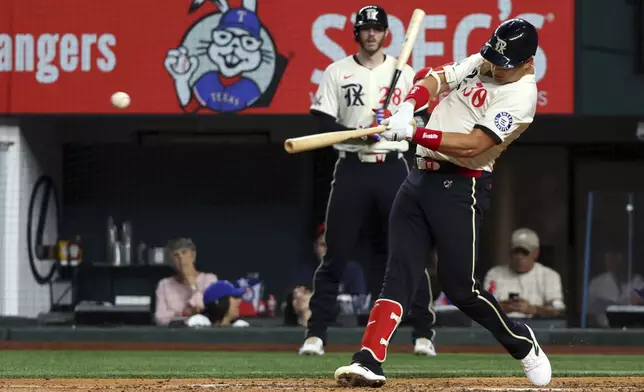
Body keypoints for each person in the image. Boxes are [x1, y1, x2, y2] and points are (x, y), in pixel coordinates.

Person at [333, 18, 551, 388]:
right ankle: (369, 359)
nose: (496, 68)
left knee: (461, 289)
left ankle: (521, 343)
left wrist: (416, 131)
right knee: (398, 273)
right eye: (494, 59)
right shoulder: (487, 59)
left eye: (506, 64)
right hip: (417, 179)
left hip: (460, 187)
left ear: (528, 63)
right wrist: (408, 106)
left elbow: (474, 145)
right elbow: (437, 78)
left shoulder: (521, 98)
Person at [300, 4, 437, 358]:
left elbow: (420, 123)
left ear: (386, 33)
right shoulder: (337, 71)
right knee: (336, 253)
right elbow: (323, 126)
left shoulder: (403, 73)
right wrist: (358, 133)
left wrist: (393, 123)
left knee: (408, 250)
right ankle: (316, 334)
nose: (371, 34)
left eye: (377, 29)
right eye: (365, 28)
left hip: (392, 164)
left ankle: (423, 333)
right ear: (357, 33)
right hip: (351, 167)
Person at [484, 228, 565, 319]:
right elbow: (483, 307)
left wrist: (533, 310)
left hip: (536, 330)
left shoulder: (549, 276)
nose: (519, 257)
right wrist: (502, 307)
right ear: (510, 252)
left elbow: (558, 310)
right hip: (501, 327)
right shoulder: (495, 274)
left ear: (536, 253)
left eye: (524, 252)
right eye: (516, 252)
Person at [154, 238, 218, 325]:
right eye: (176, 255)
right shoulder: (164, 285)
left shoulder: (209, 279)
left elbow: (201, 307)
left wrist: (192, 281)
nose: (181, 258)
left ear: (193, 255)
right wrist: (184, 313)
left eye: (184, 252)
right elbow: (160, 318)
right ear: (171, 261)